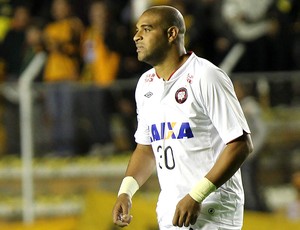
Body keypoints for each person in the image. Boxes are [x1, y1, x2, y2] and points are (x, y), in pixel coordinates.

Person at [112, 5, 253, 230]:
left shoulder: (206, 76)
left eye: (146, 29)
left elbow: (240, 144)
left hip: (211, 208)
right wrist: (126, 193)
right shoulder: (145, 84)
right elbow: (146, 148)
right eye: (137, 30)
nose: (136, 36)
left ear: (171, 34)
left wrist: (196, 196)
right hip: (172, 209)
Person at [234, 79, 270, 212]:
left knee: (249, 181)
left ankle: (255, 207)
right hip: (243, 152)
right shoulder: (239, 105)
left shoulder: (250, 106)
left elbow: (262, 130)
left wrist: (253, 150)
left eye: (237, 88)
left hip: (250, 152)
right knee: (245, 181)